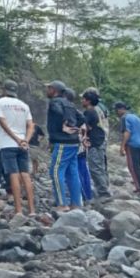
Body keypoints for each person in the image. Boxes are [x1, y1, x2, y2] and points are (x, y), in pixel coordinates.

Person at [0, 80, 35, 216]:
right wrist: (25, 140)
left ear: (4, 89)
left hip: (7, 144)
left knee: (13, 175)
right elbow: (31, 125)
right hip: (23, 144)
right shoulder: (24, 105)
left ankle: (19, 210)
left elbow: (2, 122)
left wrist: (15, 139)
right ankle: (32, 210)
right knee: (26, 175)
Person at [46, 80, 82, 212]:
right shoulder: (70, 104)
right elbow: (82, 118)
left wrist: (64, 125)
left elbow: (58, 112)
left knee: (56, 171)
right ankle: (76, 203)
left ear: (54, 90)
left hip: (62, 142)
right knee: (72, 172)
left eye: (48, 88)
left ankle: (62, 204)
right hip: (73, 142)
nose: (47, 90)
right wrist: (74, 127)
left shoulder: (55, 102)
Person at [65, 88, 93, 202]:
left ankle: (80, 197)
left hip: (75, 146)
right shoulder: (78, 112)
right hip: (81, 147)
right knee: (83, 171)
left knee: (75, 172)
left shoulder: (69, 112)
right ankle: (87, 196)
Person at [81, 90, 110, 199]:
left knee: (95, 168)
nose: (82, 101)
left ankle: (103, 193)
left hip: (95, 142)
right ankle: (105, 188)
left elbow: (86, 127)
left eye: (83, 99)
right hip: (101, 139)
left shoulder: (89, 112)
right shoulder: (97, 110)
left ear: (88, 101)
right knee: (101, 167)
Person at [115, 102, 140, 194]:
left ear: (121, 109)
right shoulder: (136, 117)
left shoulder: (124, 118)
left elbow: (127, 133)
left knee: (132, 167)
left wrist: (122, 147)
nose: (116, 112)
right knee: (137, 167)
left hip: (132, 144)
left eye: (117, 110)